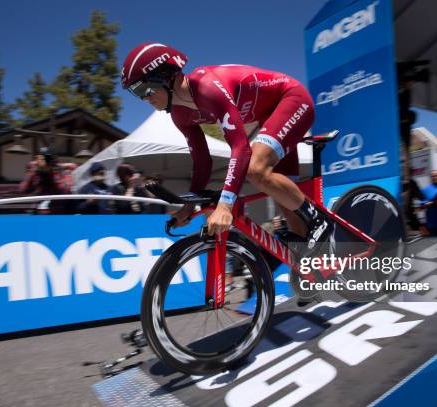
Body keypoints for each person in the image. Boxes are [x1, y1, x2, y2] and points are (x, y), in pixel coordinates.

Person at [121, 43, 332, 252]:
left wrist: (225, 206)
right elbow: (202, 162)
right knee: (297, 230)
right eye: (135, 92)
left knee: (255, 169)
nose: (143, 98)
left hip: (292, 99)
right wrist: (188, 206)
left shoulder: (206, 86)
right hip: (269, 118)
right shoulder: (179, 115)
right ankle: (323, 273)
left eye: (143, 88)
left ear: (165, 75)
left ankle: (320, 219)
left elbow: (240, 147)